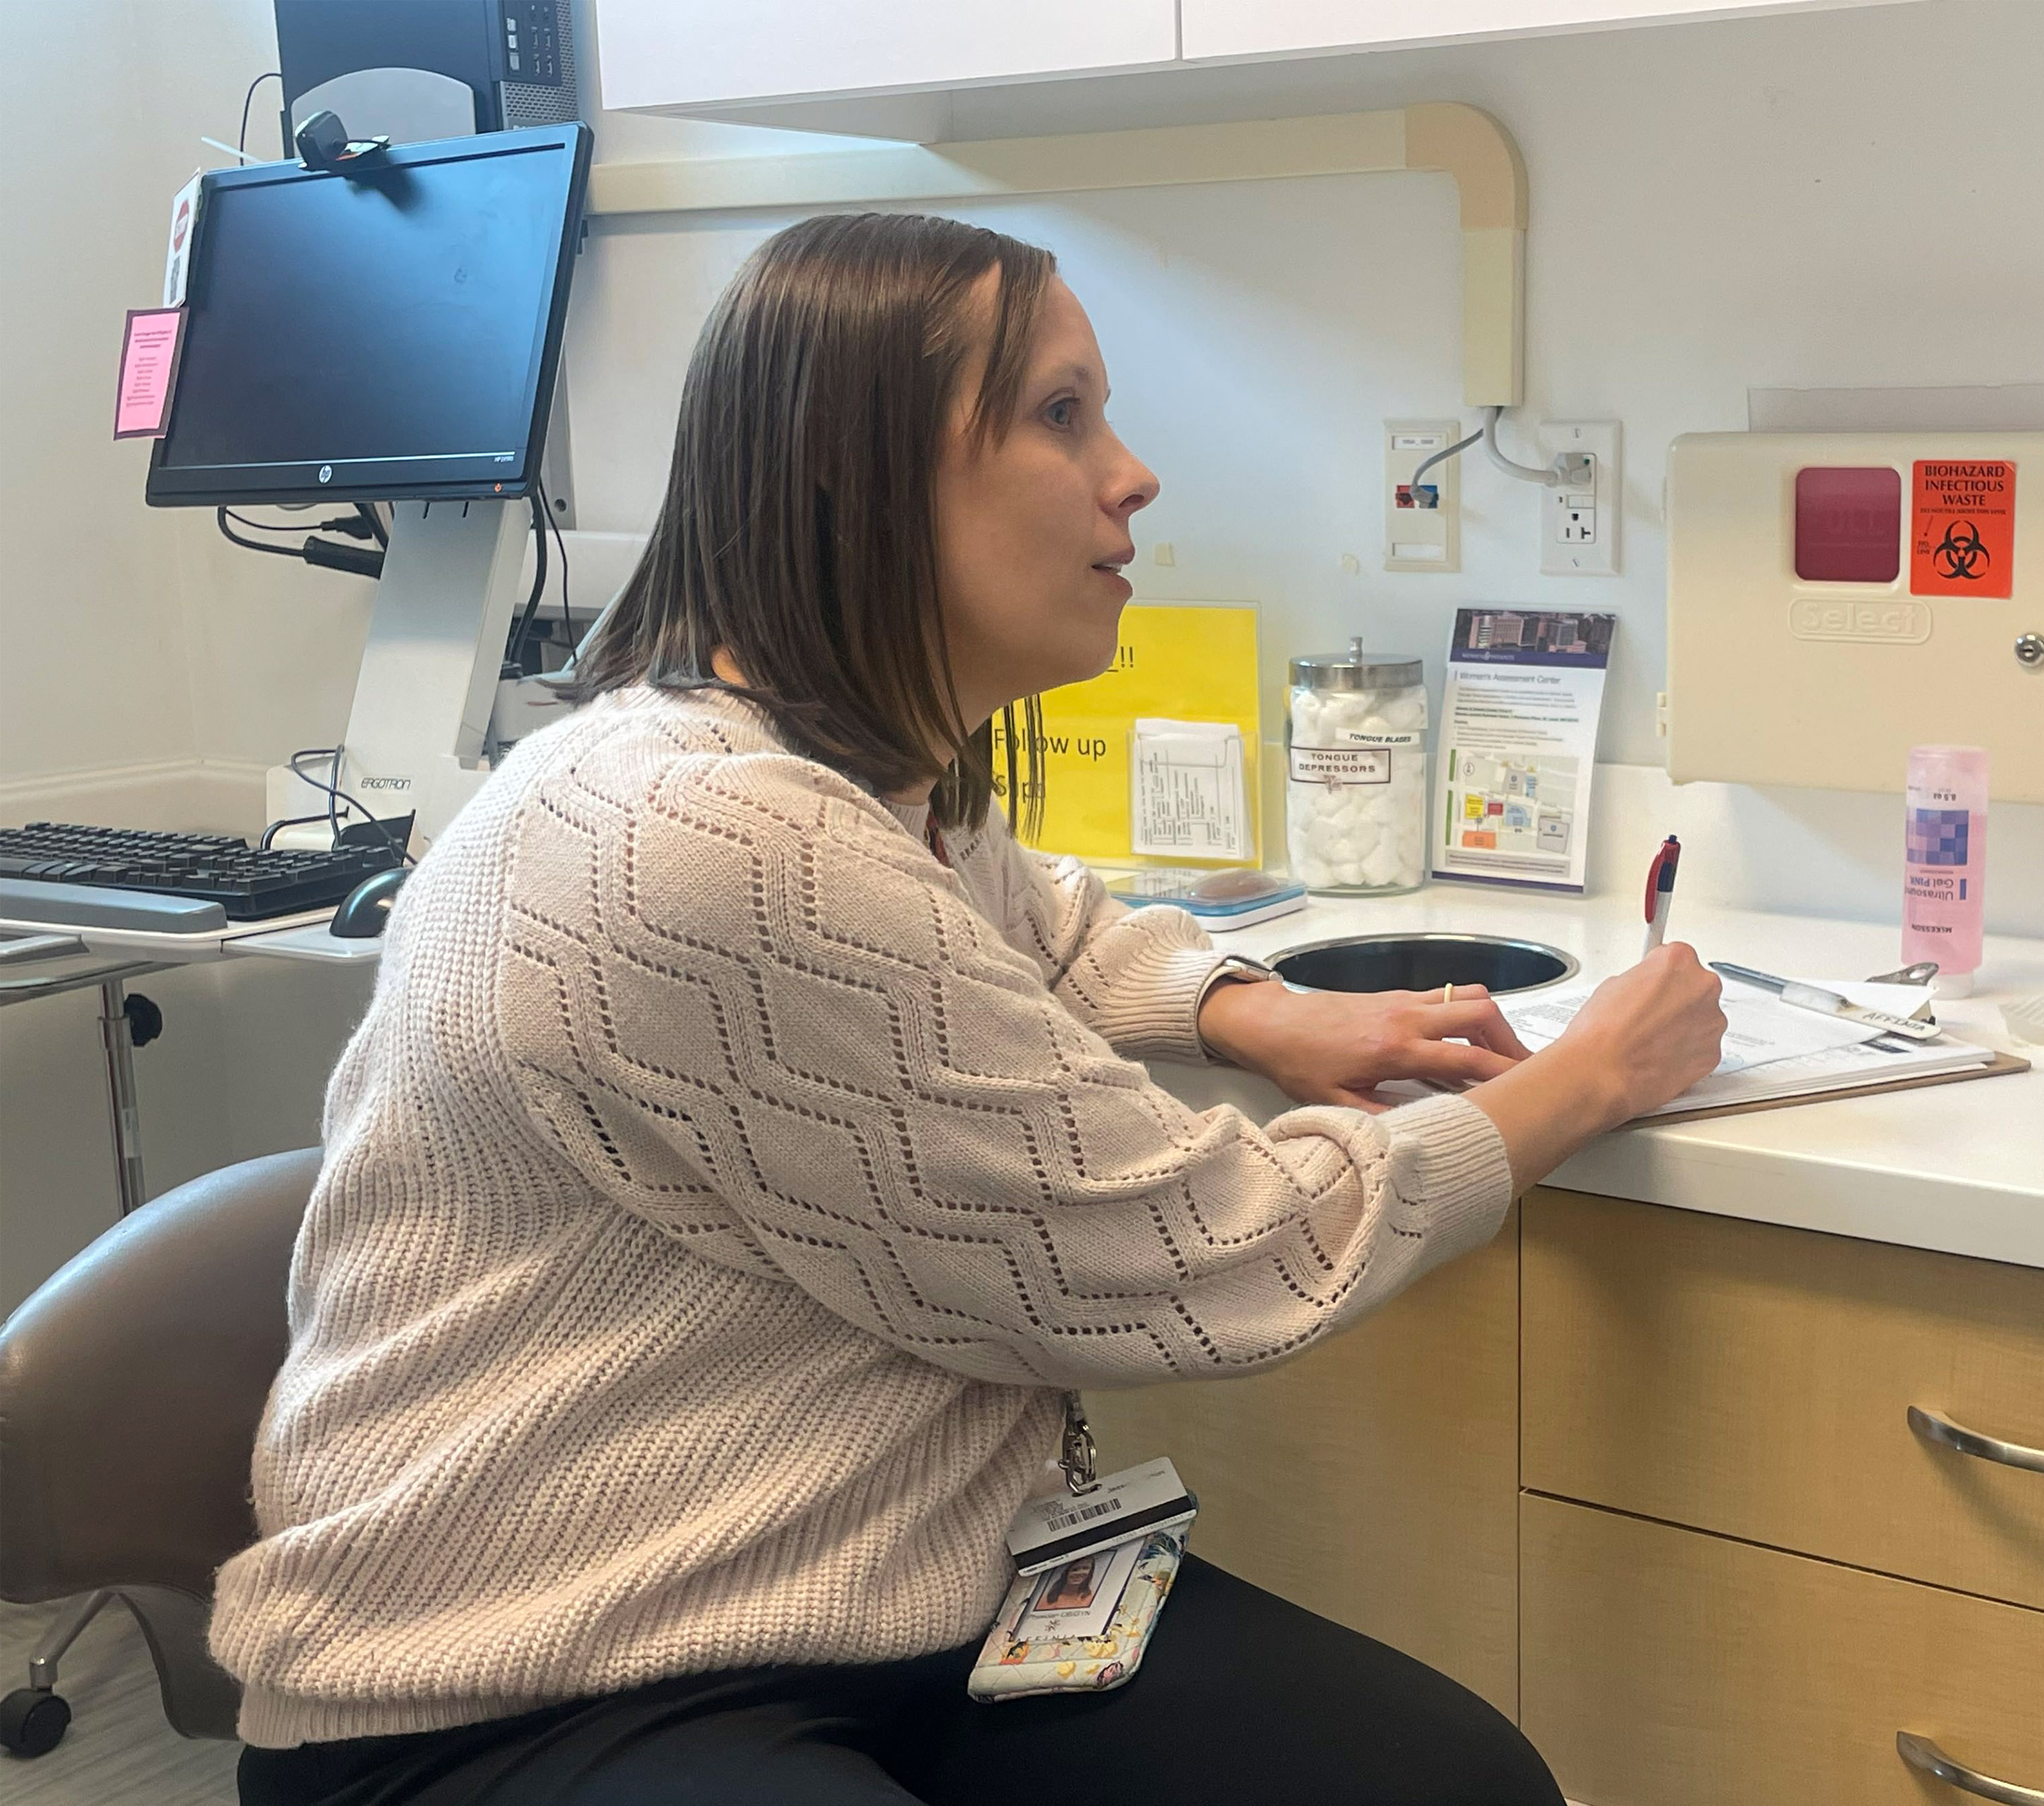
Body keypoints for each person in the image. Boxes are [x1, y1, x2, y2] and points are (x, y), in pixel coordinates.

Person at [217, 211, 1726, 1806]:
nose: (1132, 473)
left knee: (1450, 1783)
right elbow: (1203, 1242)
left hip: (887, 1588)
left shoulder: (825, 775)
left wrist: (1249, 1009)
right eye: (1061, 415)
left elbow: (1026, 926)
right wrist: (1572, 1085)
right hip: (530, 1677)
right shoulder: (711, 841)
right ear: (852, 475)